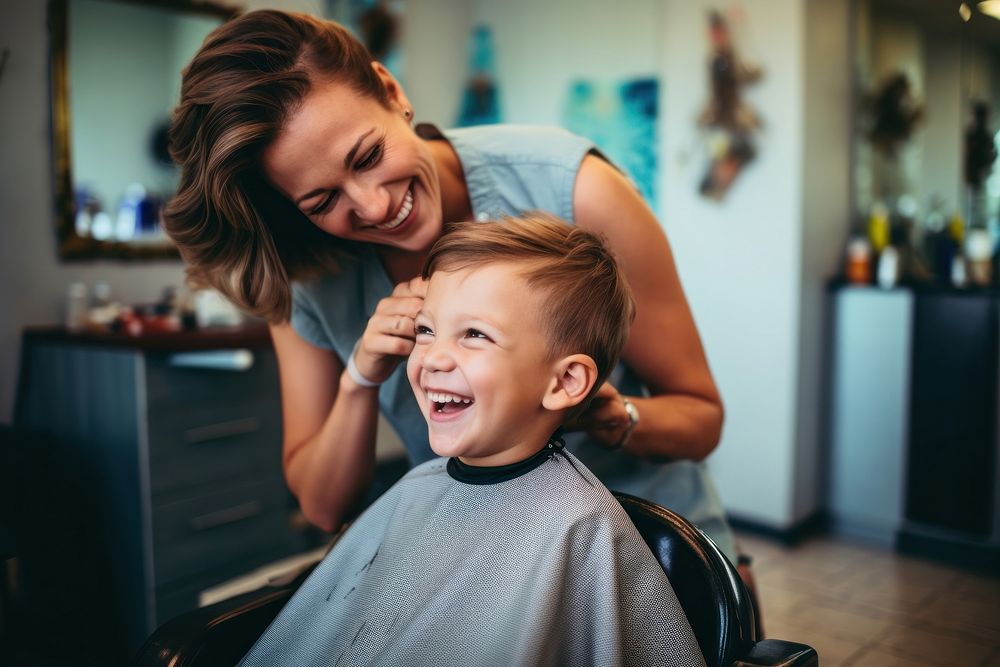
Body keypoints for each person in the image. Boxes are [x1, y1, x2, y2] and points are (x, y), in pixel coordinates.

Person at [165, 9, 739, 564]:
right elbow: (322, 505)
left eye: (368, 156)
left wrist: (612, 419)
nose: (375, 205)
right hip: (487, 568)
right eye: (323, 200)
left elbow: (701, 418)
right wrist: (360, 381)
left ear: (390, 90)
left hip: (655, 554)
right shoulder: (308, 273)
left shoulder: (575, 191)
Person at [237, 215, 706, 667]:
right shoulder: (415, 489)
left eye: (475, 335)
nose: (434, 357)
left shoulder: (578, 530)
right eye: (426, 330)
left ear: (564, 382)